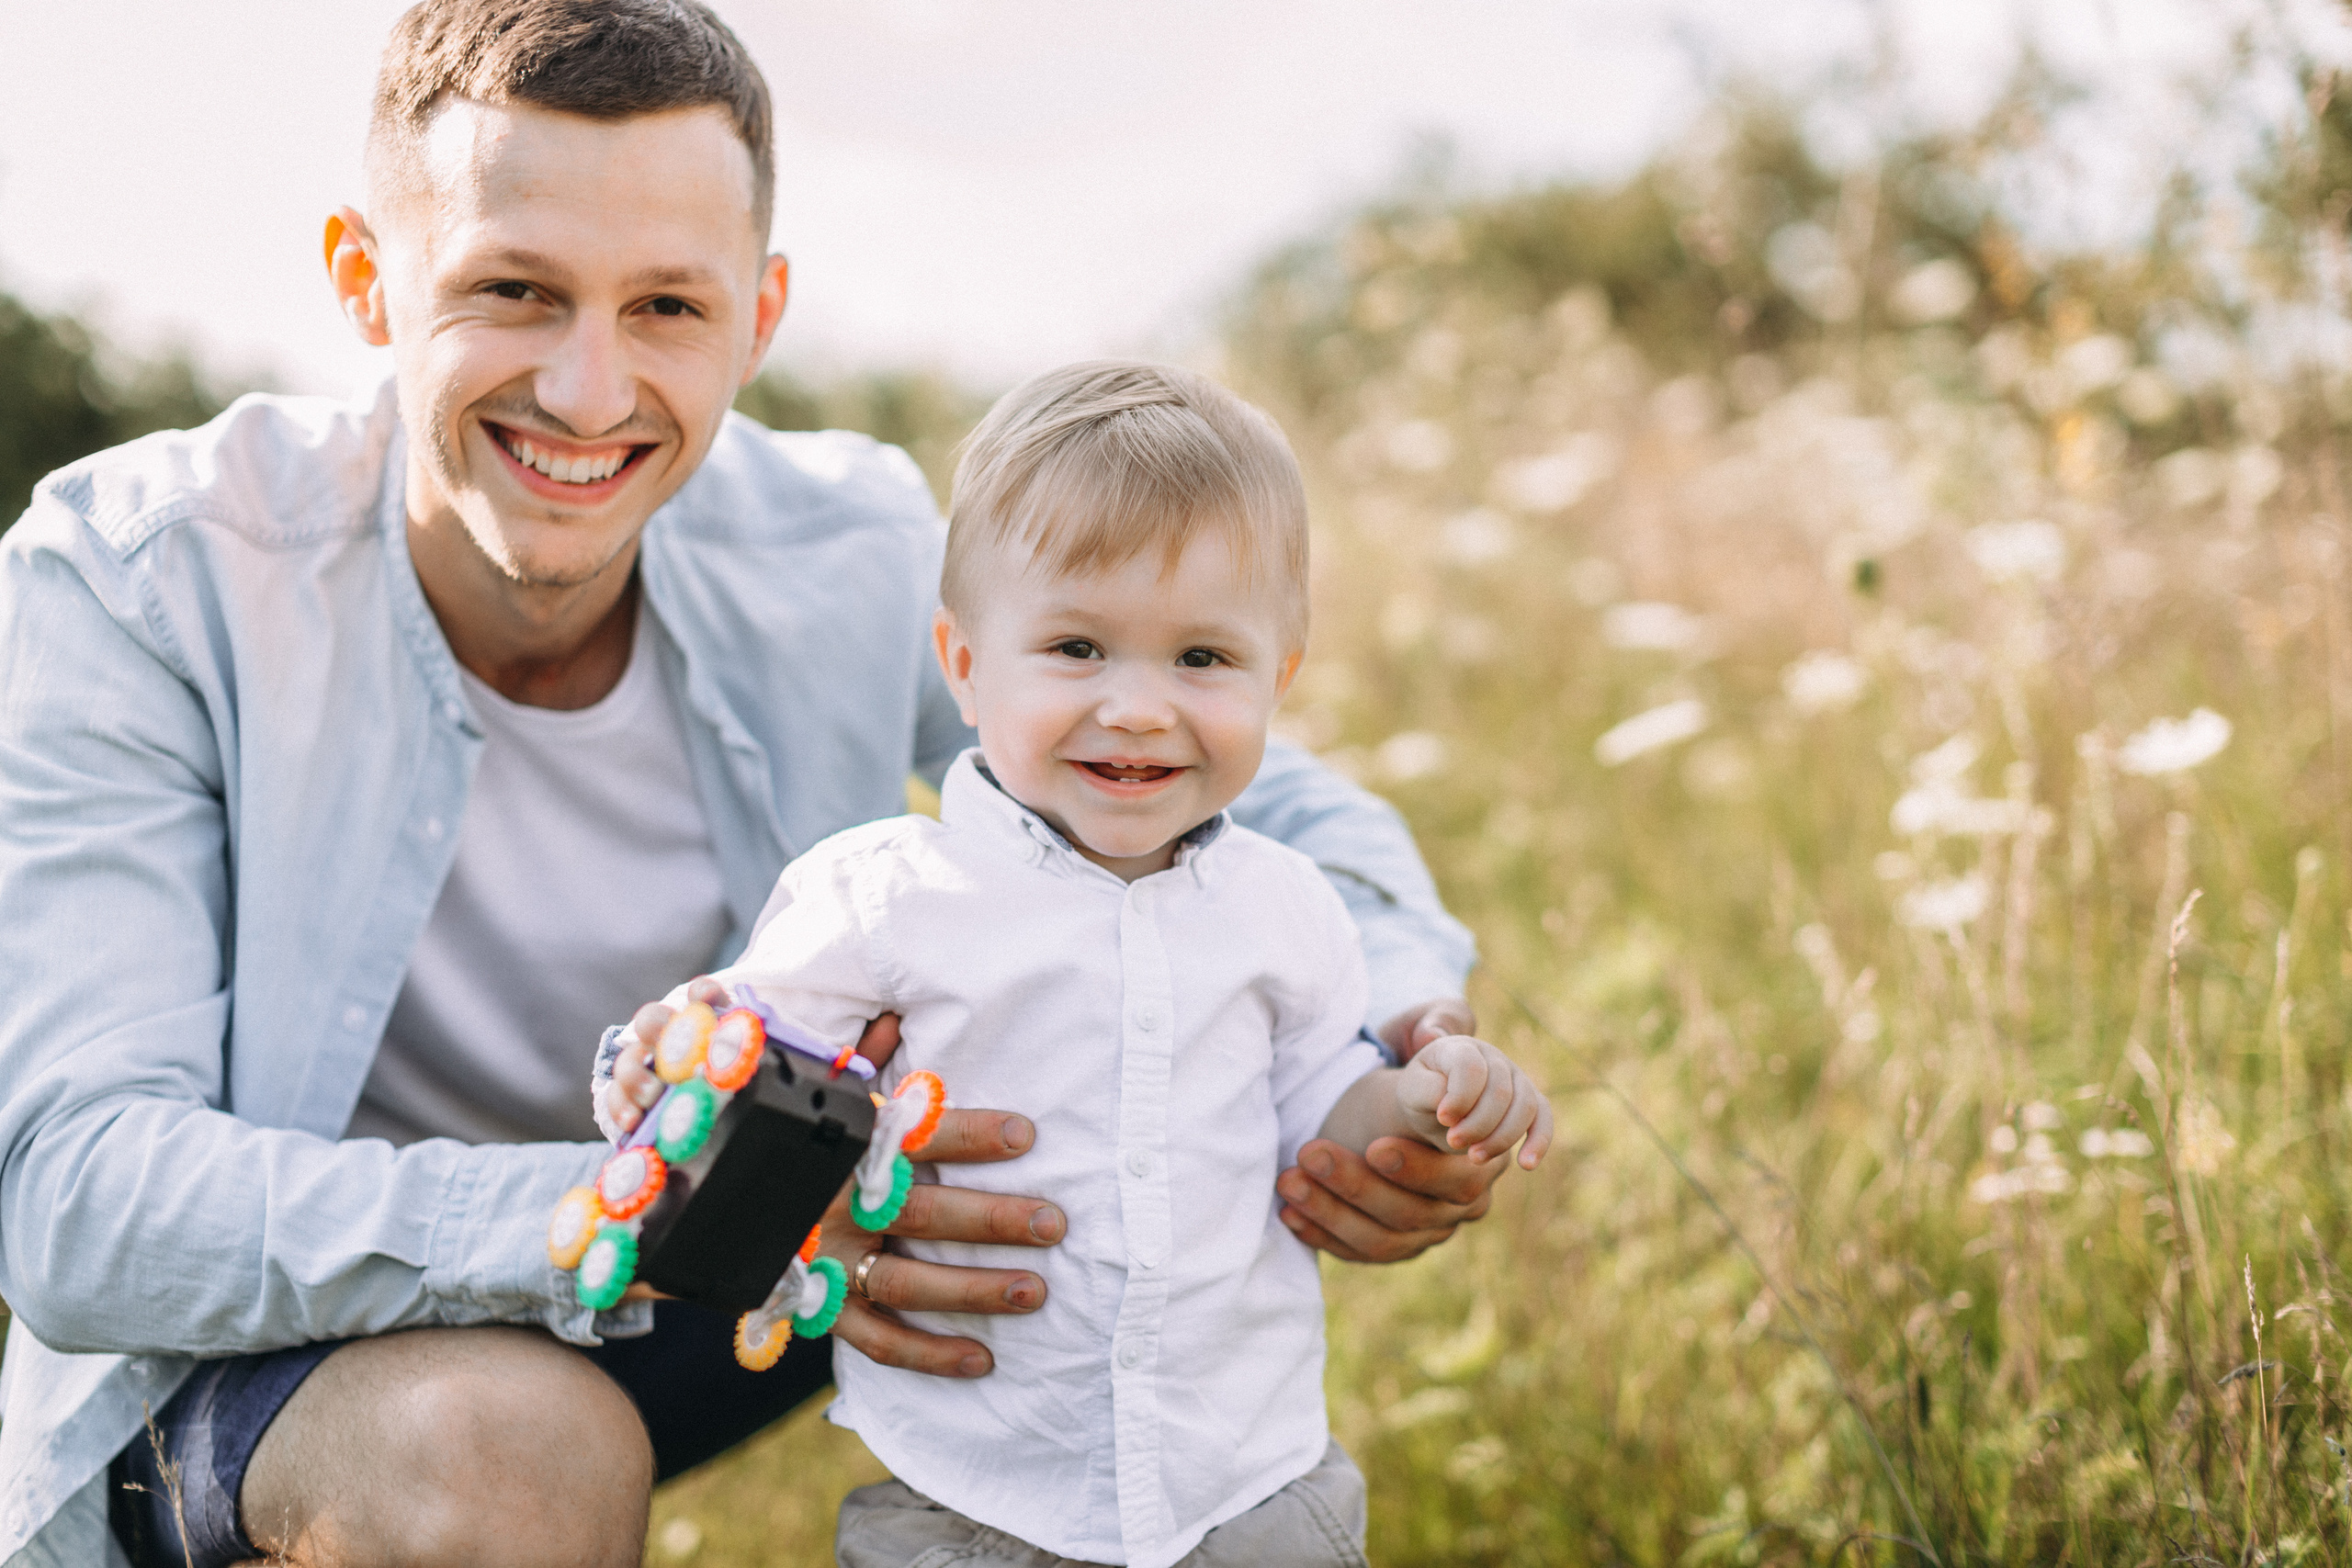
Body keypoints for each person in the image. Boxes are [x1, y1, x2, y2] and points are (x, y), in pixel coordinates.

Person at [0, 5, 1508, 1567]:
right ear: (365, 278)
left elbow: (1276, 807)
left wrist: (1402, 1037)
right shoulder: (139, 580)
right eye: (513, 290)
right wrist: (665, 1203)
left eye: (667, 305)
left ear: (760, 316)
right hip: (275, 1363)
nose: (590, 393)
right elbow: (78, 1198)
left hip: (735, 1275)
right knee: (506, 1454)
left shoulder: (847, 547)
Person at [594, 361, 1555, 1568]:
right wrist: (660, 1064)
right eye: (1077, 647)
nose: (1140, 707)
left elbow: (1323, 1115)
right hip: (976, 1495)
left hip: (1247, 1484)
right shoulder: (886, 893)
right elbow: (720, 1073)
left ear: (1280, 677)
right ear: (963, 665)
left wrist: (1424, 1103)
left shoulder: (1287, 906)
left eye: (1202, 659)